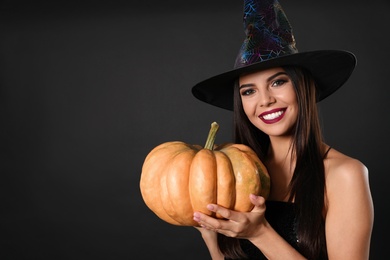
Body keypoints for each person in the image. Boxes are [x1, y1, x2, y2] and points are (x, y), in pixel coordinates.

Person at [190, 0, 374, 259]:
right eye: (249, 91)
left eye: (277, 82)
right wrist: (211, 236)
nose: (264, 100)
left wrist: (260, 234)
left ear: (303, 86)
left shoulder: (345, 174)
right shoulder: (236, 173)